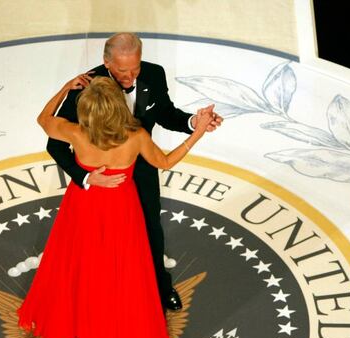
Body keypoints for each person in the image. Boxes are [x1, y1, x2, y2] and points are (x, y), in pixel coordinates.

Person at [17, 75, 214, 338]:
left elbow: (43, 119)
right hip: (121, 207)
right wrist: (197, 132)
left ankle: (79, 324)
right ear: (118, 106)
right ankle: (115, 328)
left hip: (82, 205)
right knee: (121, 268)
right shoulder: (136, 138)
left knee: (79, 263)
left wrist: (64, 88)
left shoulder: (76, 133)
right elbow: (165, 162)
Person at [47, 32, 222, 311]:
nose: (129, 77)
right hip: (100, 180)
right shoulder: (85, 87)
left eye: (134, 69)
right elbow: (55, 146)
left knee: (150, 230)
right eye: (121, 70)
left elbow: (165, 114)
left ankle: (159, 288)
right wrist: (85, 177)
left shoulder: (154, 74)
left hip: (139, 170)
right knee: (96, 242)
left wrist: (194, 122)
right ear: (106, 62)